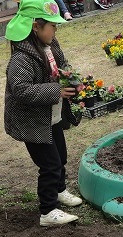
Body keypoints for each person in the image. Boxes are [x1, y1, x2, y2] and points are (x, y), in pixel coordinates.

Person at [4, 0, 82, 226]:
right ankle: (48, 211)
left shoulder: (50, 44)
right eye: (52, 26)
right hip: (32, 121)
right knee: (50, 165)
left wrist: (71, 78)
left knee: (61, 155)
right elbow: (21, 90)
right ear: (36, 26)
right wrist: (56, 90)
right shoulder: (22, 58)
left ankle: (59, 190)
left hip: (50, 115)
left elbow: (62, 63)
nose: (55, 30)